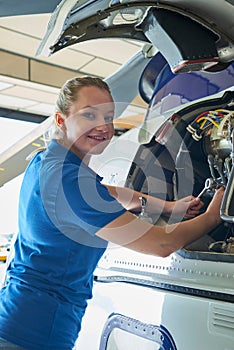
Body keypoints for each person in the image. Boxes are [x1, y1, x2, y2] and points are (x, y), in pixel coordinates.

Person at [0, 76, 224, 350]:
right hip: (34, 333)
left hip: (15, 317)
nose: (103, 126)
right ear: (61, 120)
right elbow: (161, 244)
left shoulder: (47, 162)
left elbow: (108, 192)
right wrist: (214, 215)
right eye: (89, 115)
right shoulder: (69, 181)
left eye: (108, 116)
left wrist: (167, 206)